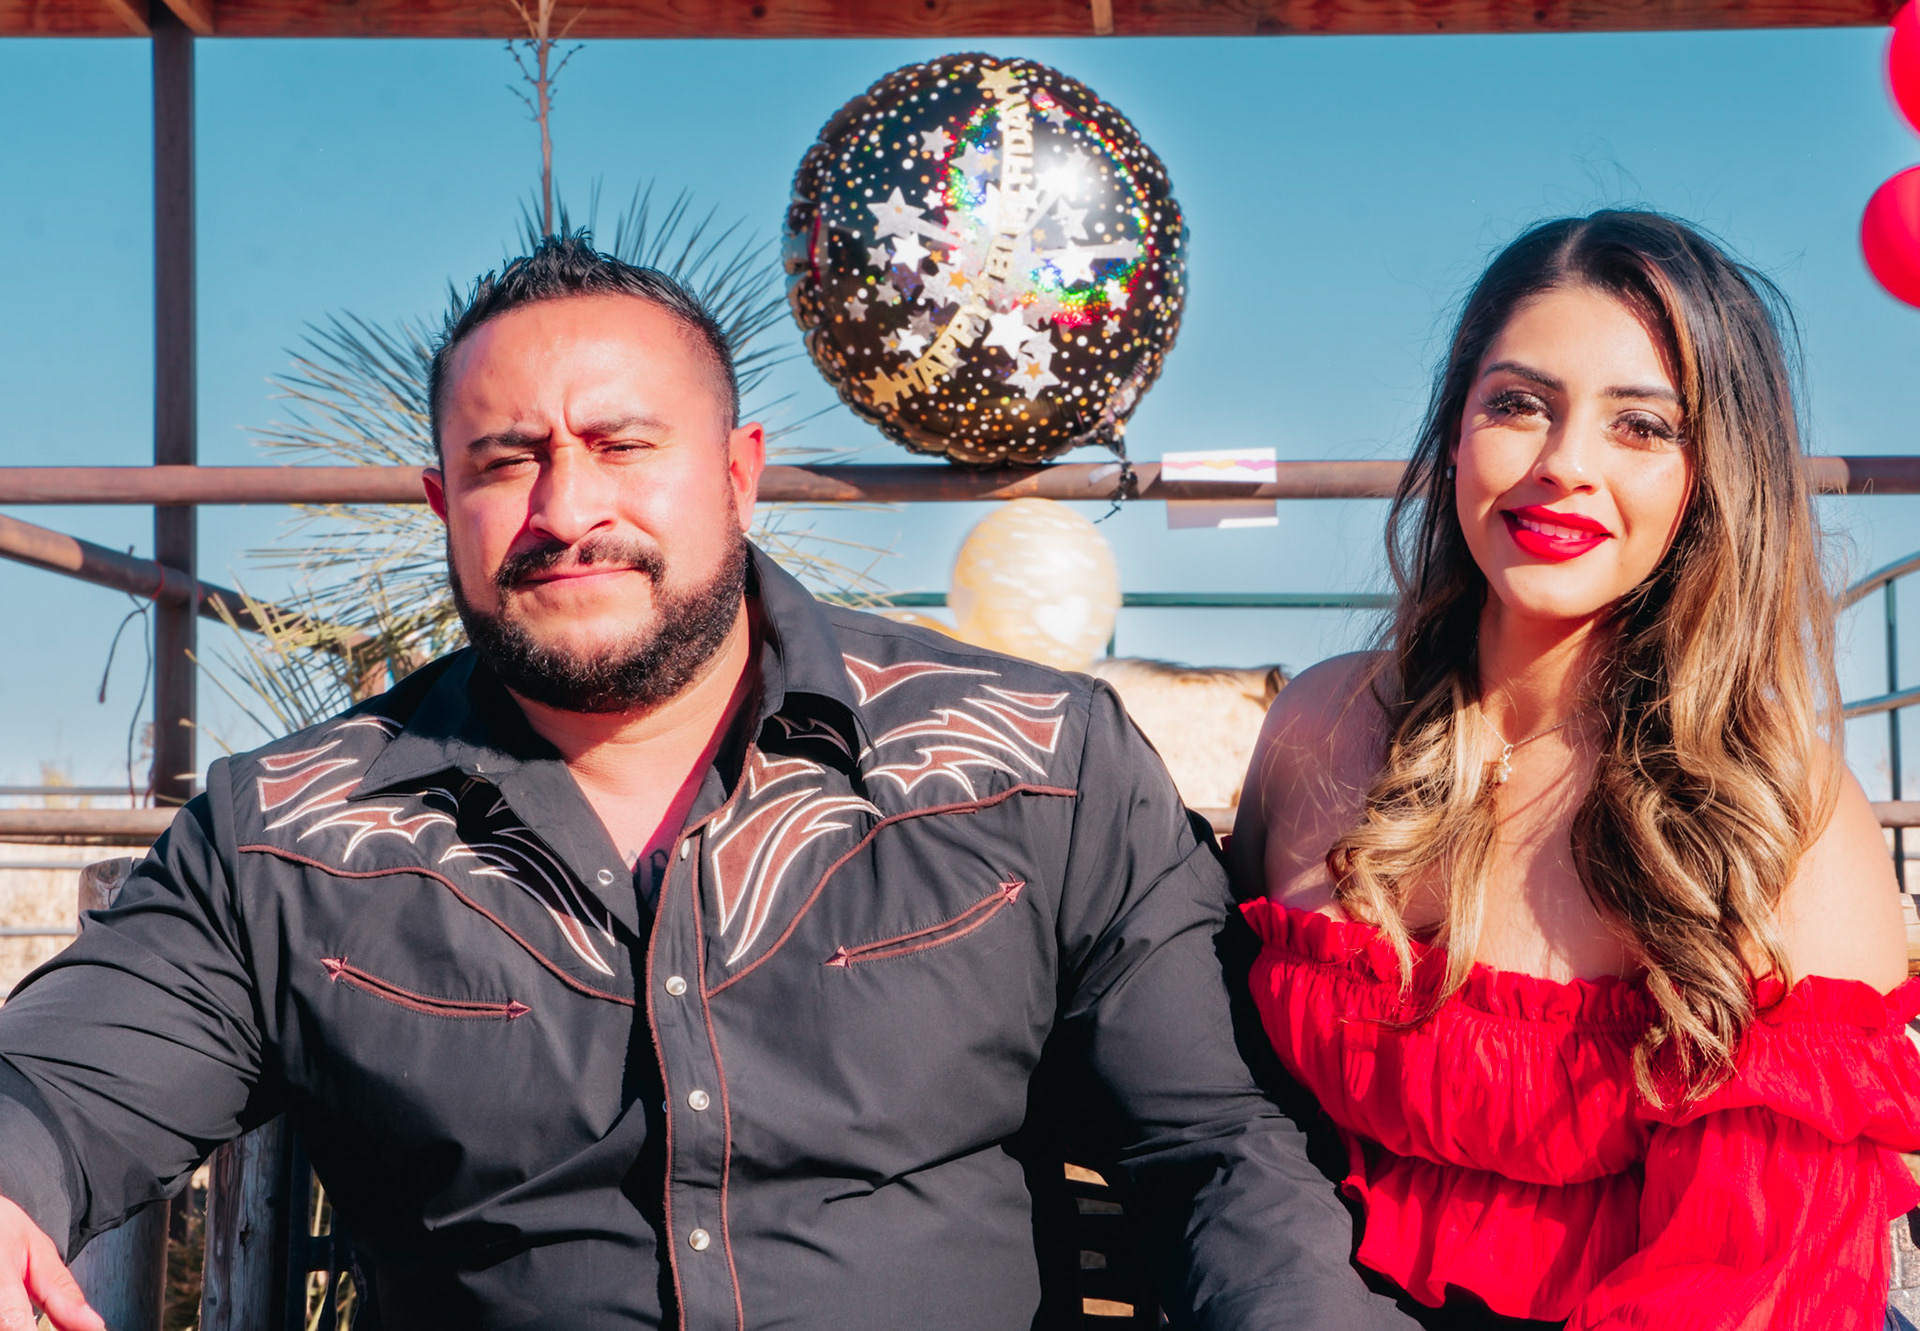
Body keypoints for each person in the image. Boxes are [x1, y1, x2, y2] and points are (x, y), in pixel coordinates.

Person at [0, 235, 1416, 1331]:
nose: (568, 508)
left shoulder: (1032, 763)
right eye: (506, 460)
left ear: (740, 474)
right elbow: (56, 1087)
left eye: (623, 445)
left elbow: (1215, 1142)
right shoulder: (296, 835)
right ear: (443, 504)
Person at [1230, 209, 1920, 1330]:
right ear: (1455, 433)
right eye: (1517, 404)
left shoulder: (1783, 813)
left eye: (1640, 425)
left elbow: (1751, 1289)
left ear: (1713, 477)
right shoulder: (1319, 722)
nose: (1563, 465)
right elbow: (1214, 1115)